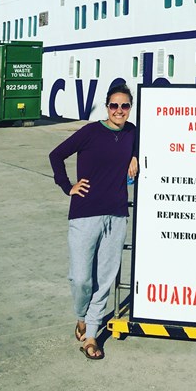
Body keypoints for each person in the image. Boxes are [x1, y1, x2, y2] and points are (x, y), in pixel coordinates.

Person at [49, 82, 138, 360]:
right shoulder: (91, 131)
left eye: (125, 106)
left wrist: (134, 156)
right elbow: (56, 155)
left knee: (105, 278)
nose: (119, 111)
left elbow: (141, 146)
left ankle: (91, 336)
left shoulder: (132, 132)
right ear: (107, 106)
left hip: (116, 214)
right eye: (114, 105)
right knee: (81, 278)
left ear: (130, 108)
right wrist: (68, 186)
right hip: (85, 213)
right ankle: (81, 316)